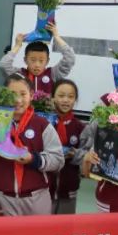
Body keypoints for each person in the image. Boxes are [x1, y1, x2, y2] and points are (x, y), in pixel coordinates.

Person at [0, 77, 62, 216]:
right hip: (1, 198)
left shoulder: (42, 125)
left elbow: (58, 161)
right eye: (12, 94)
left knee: (39, 231)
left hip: (36, 198)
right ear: (4, 96)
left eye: (23, 94)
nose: (18, 100)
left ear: (31, 95)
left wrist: (34, 159)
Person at [0, 23, 76, 97]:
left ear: (47, 61)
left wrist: (57, 37)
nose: (37, 65)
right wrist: (17, 46)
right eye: (33, 60)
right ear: (25, 60)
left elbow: (70, 58)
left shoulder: (53, 74)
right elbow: (4, 65)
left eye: (41, 61)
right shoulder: (19, 74)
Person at [48, 79, 84, 214]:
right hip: (45, 187)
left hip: (69, 186)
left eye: (70, 96)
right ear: (53, 97)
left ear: (75, 100)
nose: (65, 100)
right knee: (43, 224)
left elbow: (85, 154)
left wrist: (75, 155)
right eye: (61, 95)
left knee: (65, 224)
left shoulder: (79, 127)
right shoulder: (44, 122)